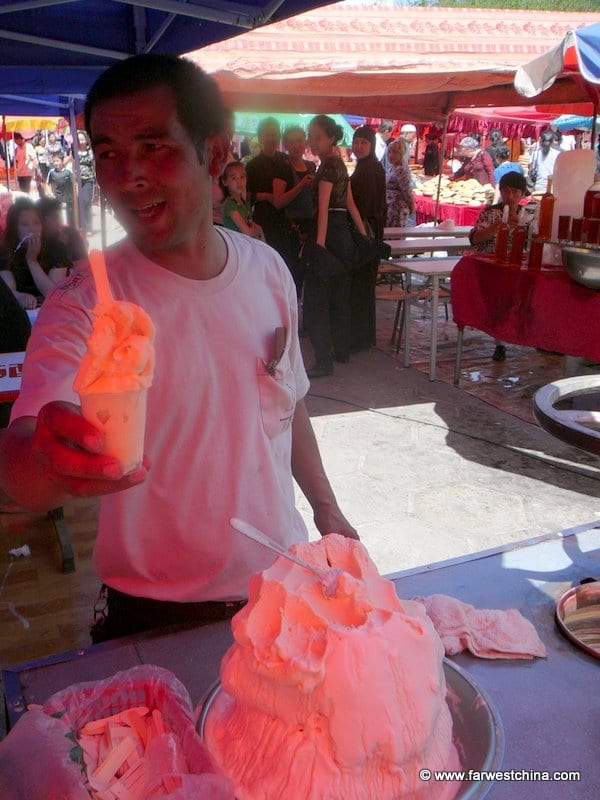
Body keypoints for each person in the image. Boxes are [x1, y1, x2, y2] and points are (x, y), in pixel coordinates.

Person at [0, 54, 357, 642]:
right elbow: (21, 457)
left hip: (282, 595)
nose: (127, 175)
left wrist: (326, 508)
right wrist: (45, 461)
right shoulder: (85, 303)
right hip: (156, 615)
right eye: (109, 152)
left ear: (214, 155)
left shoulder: (267, 270)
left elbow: (287, 402)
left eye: (154, 146)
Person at [302, 114, 367, 378]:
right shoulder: (339, 164)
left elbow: (324, 209)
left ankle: (323, 360)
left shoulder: (327, 167)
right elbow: (350, 204)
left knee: (317, 300)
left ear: (330, 138)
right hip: (343, 238)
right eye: (311, 136)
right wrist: (362, 235)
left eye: (317, 136)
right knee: (340, 297)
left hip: (328, 234)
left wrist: (317, 245)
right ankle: (341, 350)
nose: (312, 141)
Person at [469, 171, 530, 363]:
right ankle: (500, 343)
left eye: (515, 192)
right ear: (501, 191)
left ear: (522, 195)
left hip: (516, 266)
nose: (510, 197)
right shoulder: (490, 213)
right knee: (500, 296)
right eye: (507, 191)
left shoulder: (527, 216)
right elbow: (475, 238)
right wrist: (498, 226)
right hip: (490, 266)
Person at [246, 117, 300, 279]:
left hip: (286, 221)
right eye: (268, 134)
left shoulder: (286, 160)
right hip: (263, 221)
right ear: (260, 137)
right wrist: (265, 196)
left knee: (286, 266)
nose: (272, 138)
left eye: (275, 134)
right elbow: (246, 196)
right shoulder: (252, 165)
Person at [349, 125, 386, 352]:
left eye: (364, 142)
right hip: (368, 234)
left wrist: (361, 230)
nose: (359, 146)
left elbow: (369, 207)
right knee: (362, 287)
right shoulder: (366, 167)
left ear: (371, 145)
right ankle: (362, 337)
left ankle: (359, 339)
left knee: (361, 286)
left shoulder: (370, 169)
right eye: (356, 142)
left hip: (366, 235)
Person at [0, 197, 71, 308]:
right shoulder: (6, 251)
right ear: (15, 228)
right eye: (24, 224)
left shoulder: (56, 248)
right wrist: (20, 297)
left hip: (54, 312)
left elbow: (53, 293)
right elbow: (9, 290)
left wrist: (32, 261)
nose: (32, 229)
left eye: (36, 223)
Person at [272, 126, 316, 294]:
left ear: (305, 142)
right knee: (291, 275)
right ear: (286, 145)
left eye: (299, 141)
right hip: (290, 232)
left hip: (310, 228)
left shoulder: (311, 166)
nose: (296, 145)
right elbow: (278, 202)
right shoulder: (282, 168)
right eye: (291, 142)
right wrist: (301, 185)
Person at [220, 160, 262, 239]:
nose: (239, 181)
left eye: (242, 177)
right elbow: (248, 233)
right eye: (233, 178)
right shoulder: (230, 205)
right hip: (237, 247)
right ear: (225, 182)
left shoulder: (243, 202)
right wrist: (258, 230)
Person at [38, 196, 88, 262]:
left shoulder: (72, 235)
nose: (60, 221)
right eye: (55, 217)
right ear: (42, 219)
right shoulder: (37, 242)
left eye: (60, 216)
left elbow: (83, 263)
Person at [385, 138, 415, 228]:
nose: (391, 155)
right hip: (390, 207)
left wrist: (411, 205)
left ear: (401, 154)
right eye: (389, 151)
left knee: (395, 237)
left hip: (397, 209)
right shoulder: (392, 167)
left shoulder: (401, 169)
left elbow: (406, 190)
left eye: (395, 152)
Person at [75, 131, 96, 234]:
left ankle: (87, 227)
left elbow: (94, 165)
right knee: (79, 202)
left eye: (82, 139)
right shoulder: (74, 152)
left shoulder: (91, 152)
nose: (81, 142)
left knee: (86, 201)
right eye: (79, 140)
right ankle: (80, 225)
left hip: (89, 179)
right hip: (77, 180)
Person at [46, 153, 75, 226]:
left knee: (70, 218)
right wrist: (50, 193)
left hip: (69, 199)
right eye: (54, 161)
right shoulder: (52, 172)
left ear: (62, 161)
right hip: (57, 199)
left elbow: (75, 183)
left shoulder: (68, 172)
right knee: (60, 218)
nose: (55, 163)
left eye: (57, 161)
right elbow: (47, 183)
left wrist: (75, 194)